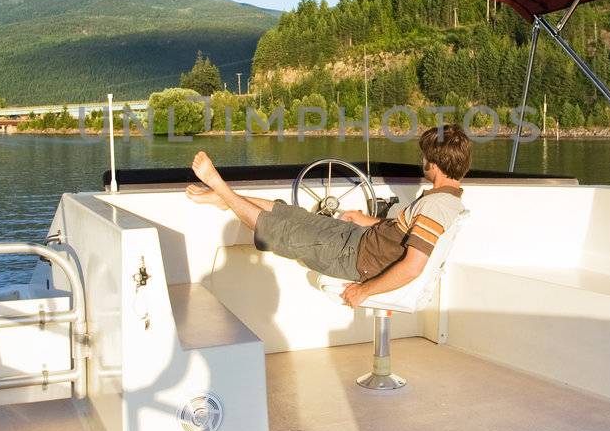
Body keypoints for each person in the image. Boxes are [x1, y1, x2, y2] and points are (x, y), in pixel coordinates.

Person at [185, 125, 470, 307]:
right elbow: (401, 233)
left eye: (424, 156)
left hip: (353, 258)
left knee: (277, 231)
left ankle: (219, 185)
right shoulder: (446, 199)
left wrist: (365, 291)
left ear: (432, 163)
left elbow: (412, 267)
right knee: (291, 214)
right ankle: (228, 201)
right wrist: (363, 218)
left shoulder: (436, 207)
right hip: (358, 239)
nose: (422, 161)